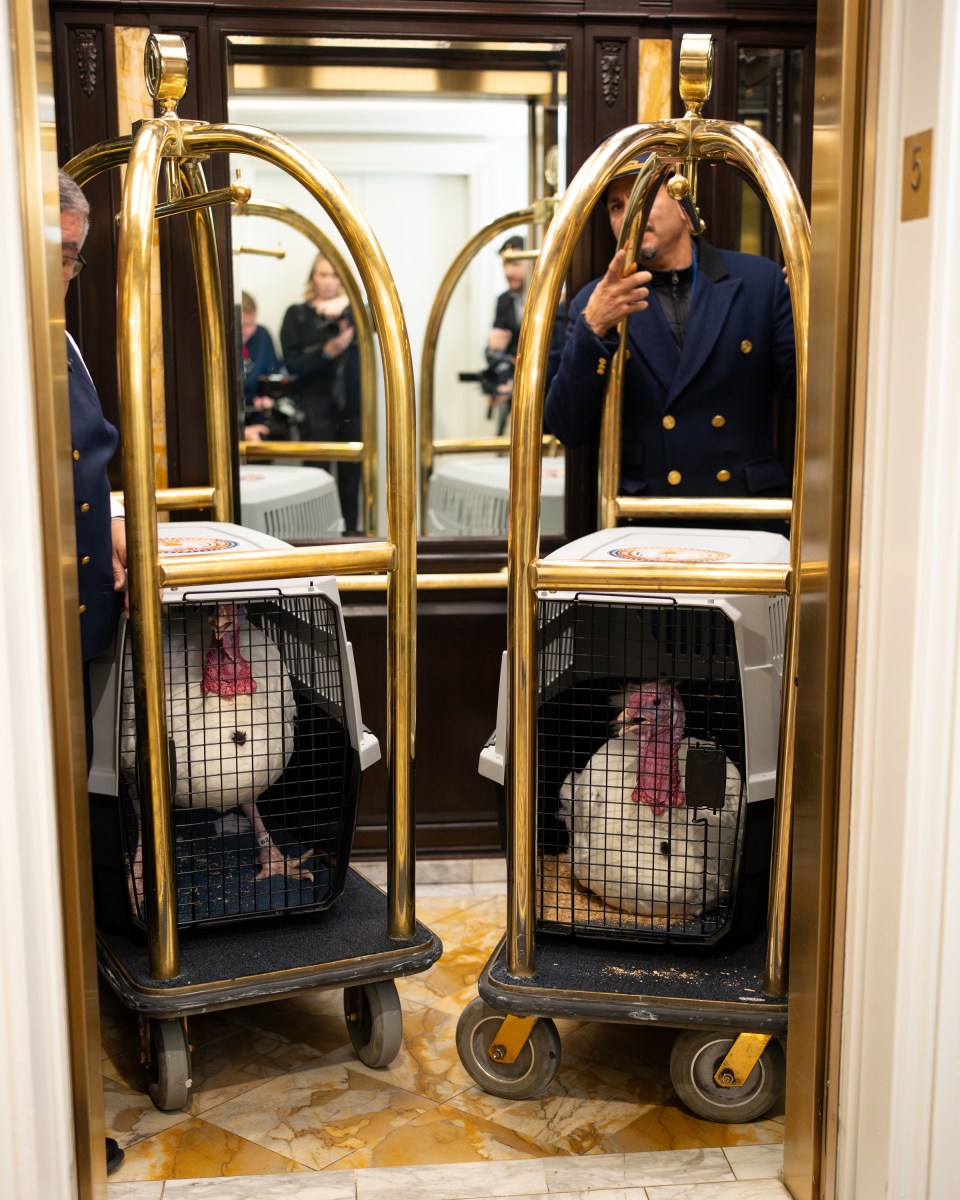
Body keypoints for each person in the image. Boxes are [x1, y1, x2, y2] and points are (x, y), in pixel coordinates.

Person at [544, 157, 796, 504]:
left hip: (746, 512)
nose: (630, 213)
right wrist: (595, 327)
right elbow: (567, 428)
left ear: (682, 204)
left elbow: (811, 397)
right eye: (617, 206)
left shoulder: (760, 282)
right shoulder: (594, 302)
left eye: (642, 198)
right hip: (647, 519)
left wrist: (820, 315)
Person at [59, 168, 127, 1178]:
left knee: (88, 817)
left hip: (83, 612)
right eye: (62, 253)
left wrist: (109, 518)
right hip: (44, 625)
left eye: (76, 254)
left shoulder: (59, 335)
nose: (68, 272)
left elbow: (87, 456)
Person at [280, 254, 362, 534]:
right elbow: (292, 365)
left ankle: (353, 545)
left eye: (335, 275)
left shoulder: (356, 313)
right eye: (322, 274)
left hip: (353, 409)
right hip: (315, 410)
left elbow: (378, 323)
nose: (328, 282)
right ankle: (317, 544)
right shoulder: (298, 314)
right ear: (312, 277)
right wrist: (329, 352)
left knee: (352, 482)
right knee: (317, 481)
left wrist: (348, 305)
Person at [483, 234, 527, 435]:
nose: (508, 272)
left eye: (515, 264)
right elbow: (494, 347)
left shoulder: (553, 300)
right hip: (510, 394)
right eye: (504, 265)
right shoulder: (503, 301)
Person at [239, 291, 281, 442]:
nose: (246, 331)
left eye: (251, 324)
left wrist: (267, 396)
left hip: (258, 415)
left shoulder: (262, 335)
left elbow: (273, 371)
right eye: (241, 325)